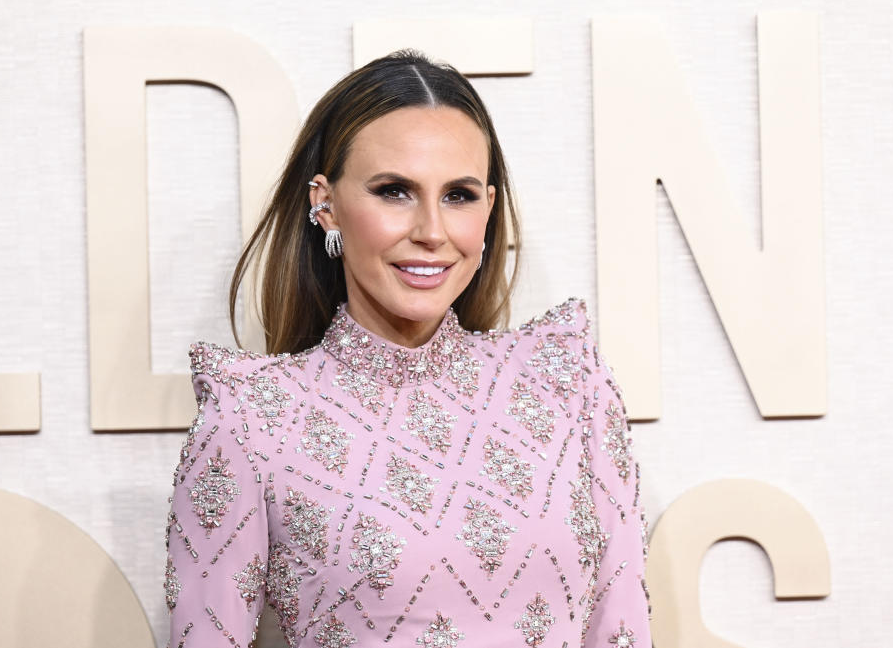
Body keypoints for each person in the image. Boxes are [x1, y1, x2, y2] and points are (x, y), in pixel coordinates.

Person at [164, 49, 651, 648]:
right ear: (326, 205)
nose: (432, 231)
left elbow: (622, 625)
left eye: (459, 195)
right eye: (394, 191)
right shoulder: (253, 417)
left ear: (489, 209)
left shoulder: (565, 380)